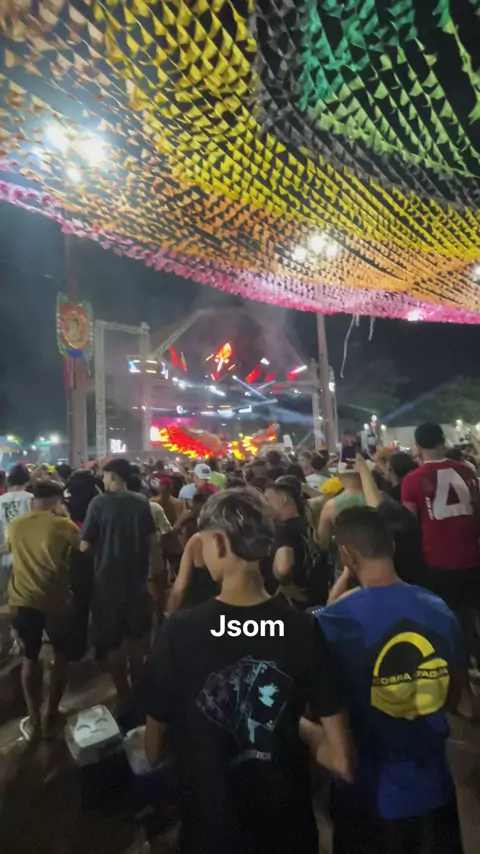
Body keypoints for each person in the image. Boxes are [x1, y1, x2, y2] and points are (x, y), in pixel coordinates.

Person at [143, 488, 354, 854]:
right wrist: (296, 724)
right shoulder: (303, 629)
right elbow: (342, 760)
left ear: (220, 543)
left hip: (211, 831)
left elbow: (152, 748)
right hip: (288, 832)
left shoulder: (178, 632)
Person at [315, 506, 470, 854]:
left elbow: (326, 711)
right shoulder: (439, 609)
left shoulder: (335, 622)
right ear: (392, 546)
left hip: (370, 801)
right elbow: (455, 698)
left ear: (347, 555)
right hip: (435, 794)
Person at [80, 459, 164, 705]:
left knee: (114, 643)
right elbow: (153, 543)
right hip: (137, 582)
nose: (102, 480)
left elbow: (84, 546)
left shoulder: (98, 504)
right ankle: (138, 692)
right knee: (138, 640)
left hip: (107, 584)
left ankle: (123, 696)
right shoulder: (141, 502)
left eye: (105, 476)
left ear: (114, 476)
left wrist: (100, 554)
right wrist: (156, 577)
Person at [8, 480, 80, 740]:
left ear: (33, 500)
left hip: (24, 600)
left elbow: (10, 550)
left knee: (30, 658)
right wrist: (65, 516)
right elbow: (82, 549)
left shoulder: (16, 525)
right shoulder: (63, 525)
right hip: (56, 600)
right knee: (61, 656)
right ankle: (52, 712)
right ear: (57, 500)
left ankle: (34, 718)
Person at [402, 422, 480, 612]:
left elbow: (409, 522)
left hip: (437, 559)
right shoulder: (467, 471)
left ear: (417, 446)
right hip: (472, 555)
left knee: (446, 614)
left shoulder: (412, 480)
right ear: (442, 441)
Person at [265, 475, 329, 607]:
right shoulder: (308, 520)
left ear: (283, 500)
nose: (264, 506)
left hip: (298, 603)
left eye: (267, 500)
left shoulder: (284, 532)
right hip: (319, 595)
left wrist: (285, 585)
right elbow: (324, 499)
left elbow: (283, 568)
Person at [0, 464, 32, 602]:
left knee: (5, 595)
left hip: (4, 553)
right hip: (27, 553)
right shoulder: (32, 499)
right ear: (27, 481)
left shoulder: (1, 500)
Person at [317, 463, 365, 551]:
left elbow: (323, 541)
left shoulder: (330, 505)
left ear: (339, 476)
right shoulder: (380, 497)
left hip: (346, 555)